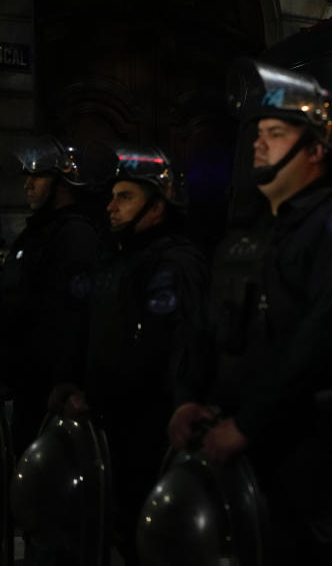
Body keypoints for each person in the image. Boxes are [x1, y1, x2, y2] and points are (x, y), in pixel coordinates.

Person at [166, 60, 332, 564]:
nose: (258, 144)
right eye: (258, 133)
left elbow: (322, 344)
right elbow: (205, 327)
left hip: (311, 472)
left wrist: (249, 425)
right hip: (242, 466)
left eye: (276, 133)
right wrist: (186, 397)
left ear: (316, 151)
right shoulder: (251, 232)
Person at [52, 145, 209, 565]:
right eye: (112, 196)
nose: (112, 207)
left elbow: (171, 349)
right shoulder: (119, 259)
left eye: (126, 197)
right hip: (111, 426)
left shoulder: (173, 261)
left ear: (158, 205)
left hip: (150, 429)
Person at [0, 136, 100, 457]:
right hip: (25, 379)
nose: (28, 185)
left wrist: (63, 380)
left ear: (63, 184)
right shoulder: (36, 232)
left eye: (39, 177)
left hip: (47, 387)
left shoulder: (74, 234)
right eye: (28, 176)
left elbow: (71, 313)